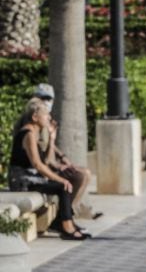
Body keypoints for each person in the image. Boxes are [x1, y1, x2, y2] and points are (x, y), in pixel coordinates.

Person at [7, 99, 88, 240]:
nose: (49, 118)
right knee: (63, 186)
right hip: (21, 180)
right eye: (46, 115)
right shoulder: (29, 134)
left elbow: (47, 161)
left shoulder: (34, 132)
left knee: (66, 183)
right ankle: (67, 228)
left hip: (31, 176)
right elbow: (38, 165)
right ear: (35, 117)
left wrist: (51, 138)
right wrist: (60, 179)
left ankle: (62, 222)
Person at [29, 83, 97, 220]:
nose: (46, 102)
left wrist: (62, 156)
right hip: (39, 171)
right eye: (42, 98)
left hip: (48, 164)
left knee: (85, 174)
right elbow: (41, 159)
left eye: (49, 99)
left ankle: (69, 212)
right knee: (80, 176)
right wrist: (56, 166)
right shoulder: (34, 121)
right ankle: (66, 217)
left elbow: (49, 144)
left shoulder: (45, 118)